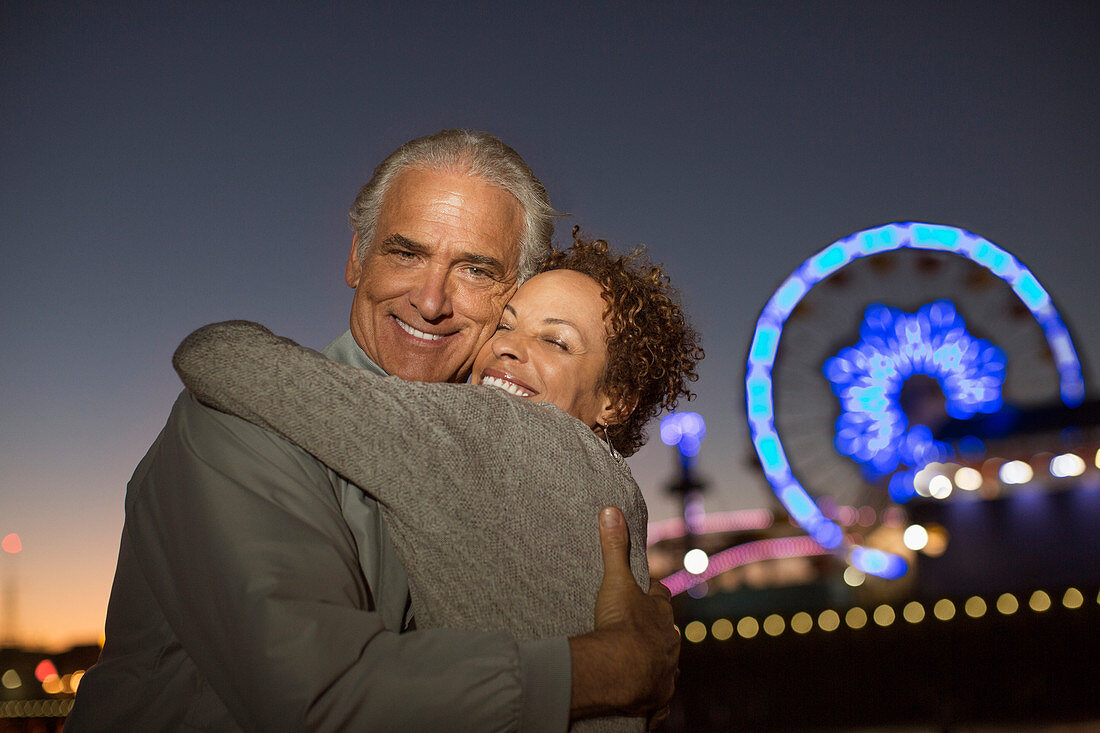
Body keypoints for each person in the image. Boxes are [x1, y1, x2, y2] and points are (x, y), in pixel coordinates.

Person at [68, 131, 680, 732]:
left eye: (474, 268)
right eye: (405, 253)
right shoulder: (236, 422)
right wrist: (612, 669)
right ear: (357, 256)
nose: (432, 299)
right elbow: (317, 696)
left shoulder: (508, 453)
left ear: (510, 289)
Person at [171, 235, 702, 732]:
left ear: (617, 398)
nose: (508, 349)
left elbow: (215, 355)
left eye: (556, 342)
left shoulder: (495, 436)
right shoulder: (620, 492)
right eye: (506, 324)